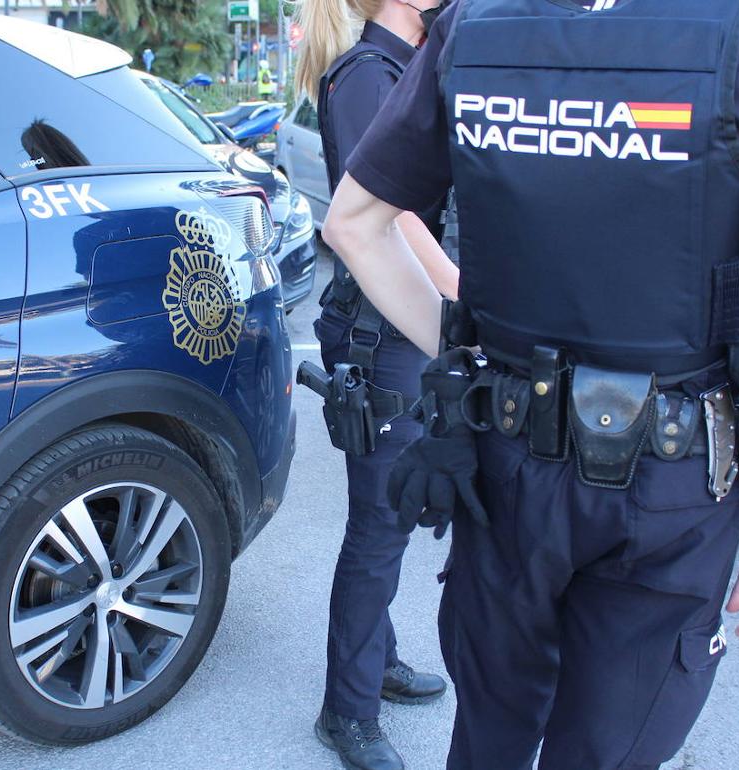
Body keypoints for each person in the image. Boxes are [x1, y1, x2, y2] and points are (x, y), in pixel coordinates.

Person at [322, 0, 739, 768]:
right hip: (670, 489)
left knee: (488, 736)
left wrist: (477, 361)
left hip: (507, 467)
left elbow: (354, 223)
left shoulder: (476, 22)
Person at [293, 1, 457, 768]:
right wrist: (461, 299)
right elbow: (390, 221)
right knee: (379, 527)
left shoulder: (411, 65)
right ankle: (346, 712)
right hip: (383, 331)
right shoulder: (366, 75)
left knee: (388, 516)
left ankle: (377, 663)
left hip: (402, 324)